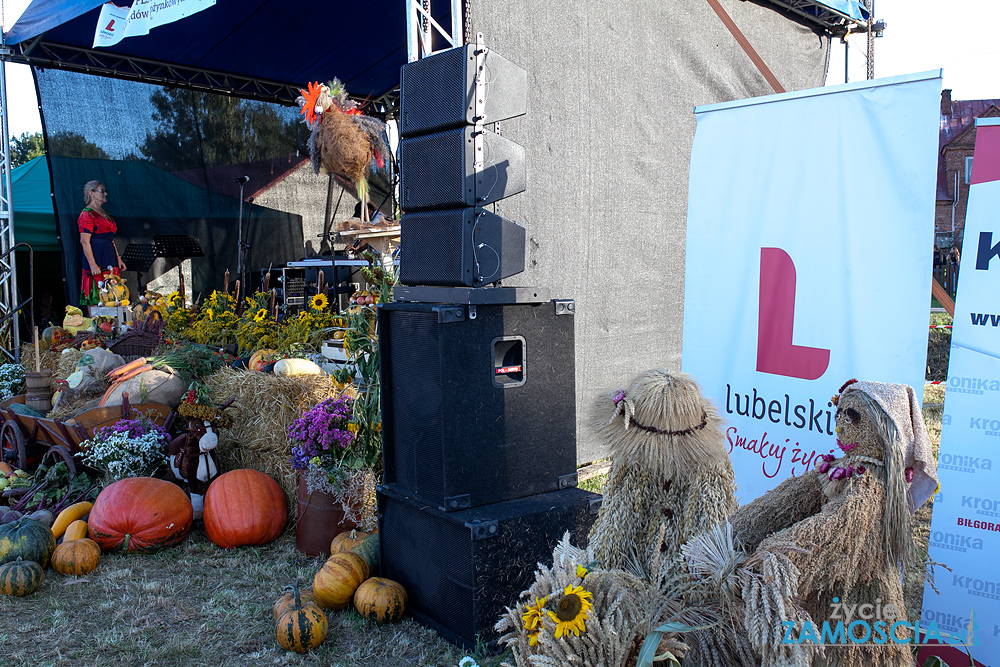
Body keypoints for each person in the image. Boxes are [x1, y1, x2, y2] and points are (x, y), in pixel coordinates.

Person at [78, 180, 126, 305]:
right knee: (97, 291)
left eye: (105, 191)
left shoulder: (106, 214)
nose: (105, 194)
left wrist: (118, 258)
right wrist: (93, 265)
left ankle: (112, 324)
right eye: (102, 191)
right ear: (91, 193)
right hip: (96, 257)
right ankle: (97, 323)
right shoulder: (87, 214)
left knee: (114, 293)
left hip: (109, 256)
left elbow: (110, 239)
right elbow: (84, 241)